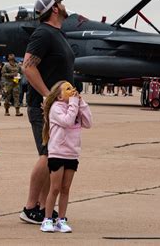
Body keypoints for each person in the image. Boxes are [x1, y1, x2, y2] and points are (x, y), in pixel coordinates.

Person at [20, 0, 75, 224]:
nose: (64, 4)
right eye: (60, 2)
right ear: (54, 9)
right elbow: (28, 67)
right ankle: (30, 207)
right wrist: (47, 95)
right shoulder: (43, 33)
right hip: (44, 107)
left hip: (57, 107)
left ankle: (44, 208)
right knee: (47, 154)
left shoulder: (57, 33)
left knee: (52, 155)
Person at [39, 81, 92, 233]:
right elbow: (67, 121)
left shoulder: (74, 106)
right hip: (57, 152)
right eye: (68, 89)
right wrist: (74, 103)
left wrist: (81, 103)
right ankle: (47, 219)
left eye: (72, 87)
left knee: (65, 188)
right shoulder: (56, 108)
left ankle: (61, 219)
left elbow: (88, 123)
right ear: (59, 96)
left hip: (72, 153)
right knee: (54, 188)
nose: (72, 90)